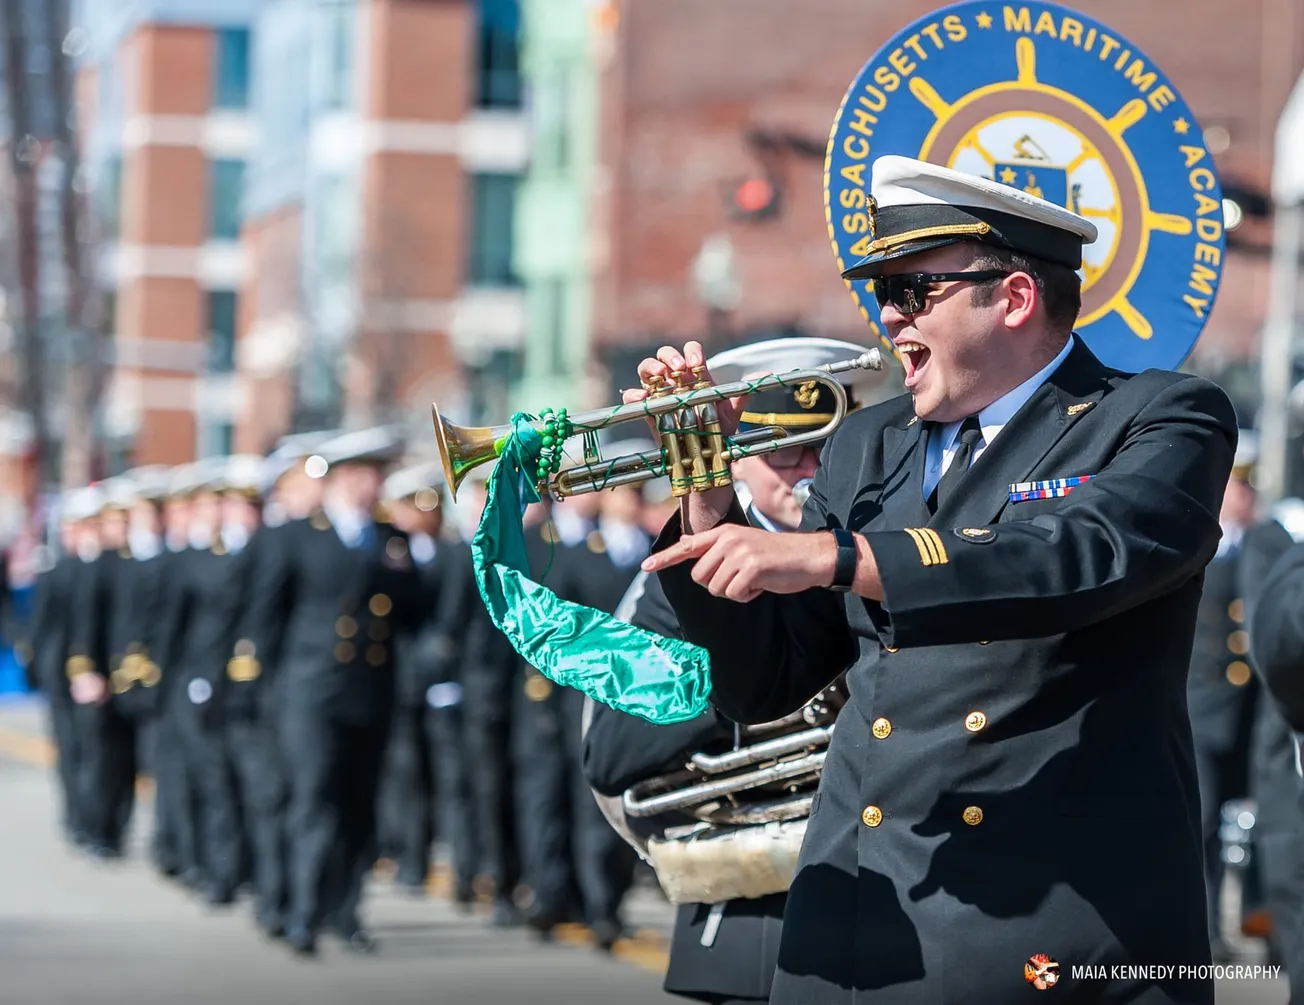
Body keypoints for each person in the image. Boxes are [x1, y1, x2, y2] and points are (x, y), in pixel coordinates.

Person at [636, 155, 1237, 1003]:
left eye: (913, 293)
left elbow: (1076, 554)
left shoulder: (1158, 415)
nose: (887, 316)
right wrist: (707, 504)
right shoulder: (866, 441)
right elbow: (766, 680)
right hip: (858, 916)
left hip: (1048, 931)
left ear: (1016, 298)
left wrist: (840, 556)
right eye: (882, 292)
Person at [583, 337, 884, 1005]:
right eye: (783, 451)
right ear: (737, 458)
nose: (807, 470)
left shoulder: (869, 556)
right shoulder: (677, 585)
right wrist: (758, 679)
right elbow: (611, 752)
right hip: (753, 913)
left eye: (824, 448)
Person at [242, 426, 422, 956]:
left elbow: (414, 613)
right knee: (312, 799)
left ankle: (347, 912)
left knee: (359, 803)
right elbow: (267, 617)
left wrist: (402, 570)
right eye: (363, 474)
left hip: (370, 688)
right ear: (341, 478)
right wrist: (268, 691)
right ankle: (302, 910)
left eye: (377, 475)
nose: (372, 485)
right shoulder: (297, 535)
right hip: (309, 690)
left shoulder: (391, 539)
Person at [1186, 435, 1266, 957]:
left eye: (1246, 485)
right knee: (1202, 825)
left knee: (1251, 825)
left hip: (1249, 714)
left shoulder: (1262, 547)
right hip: (1200, 709)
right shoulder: (1197, 544)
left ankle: (1255, 920)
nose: (1243, 496)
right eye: (1236, 484)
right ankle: (1206, 929)